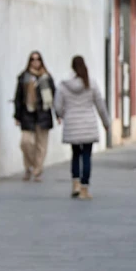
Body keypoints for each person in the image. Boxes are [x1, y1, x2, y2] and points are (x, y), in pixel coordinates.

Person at [55, 56, 111, 200]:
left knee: (75, 155)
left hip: (72, 125)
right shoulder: (91, 84)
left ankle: (75, 184)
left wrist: (61, 114)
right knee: (86, 156)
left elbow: (57, 106)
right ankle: (84, 189)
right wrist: (106, 123)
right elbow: (101, 105)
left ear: (72, 67)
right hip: (88, 124)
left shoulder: (64, 85)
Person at [13, 50, 56, 181]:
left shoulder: (47, 77)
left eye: (38, 59)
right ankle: (31, 166)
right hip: (28, 114)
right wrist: (17, 115)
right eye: (33, 59)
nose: (35, 61)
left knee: (41, 146)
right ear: (29, 61)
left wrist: (58, 114)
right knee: (26, 143)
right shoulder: (24, 77)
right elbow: (18, 97)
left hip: (43, 114)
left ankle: (36, 171)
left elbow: (54, 96)